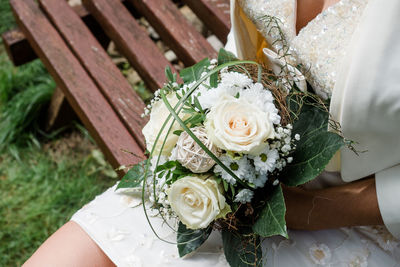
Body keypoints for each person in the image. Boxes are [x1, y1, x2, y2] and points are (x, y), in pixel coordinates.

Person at [23, 0, 400, 266]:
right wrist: (207, 127)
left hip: (364, 214)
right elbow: (249, 48)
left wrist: (310, 213)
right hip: (240, 170)